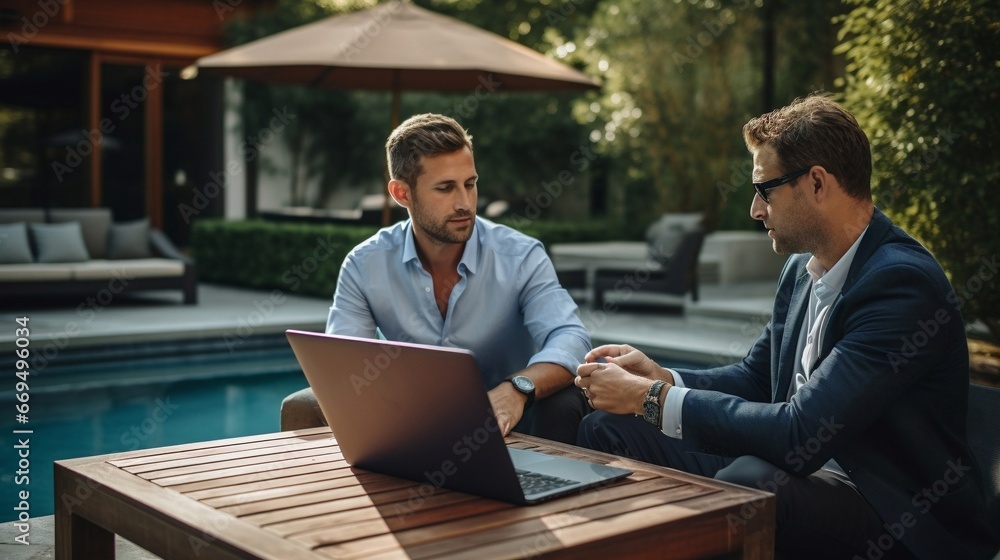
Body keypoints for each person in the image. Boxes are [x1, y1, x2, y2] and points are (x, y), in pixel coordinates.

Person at [575, 95, 999, 559]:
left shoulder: (900, 284)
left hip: (894, 513)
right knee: (609, 428)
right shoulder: (802, 269)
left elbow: (801, 436)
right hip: (806, 477)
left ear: (816, 182)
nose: (756, 210)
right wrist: (660, 378)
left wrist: (651, 400)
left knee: (752, 484)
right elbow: (757, 379)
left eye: (765, 189)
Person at [281, 113, 591, 444]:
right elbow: (344, 365)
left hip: (514, 423)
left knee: (563, 402)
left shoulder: (520, 257)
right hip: (416, 421)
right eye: (445, 188)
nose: (464, 203)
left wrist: (515, 389)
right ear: (402, 193)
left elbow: (570, 337)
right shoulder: (364, 265)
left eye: (470, 184)